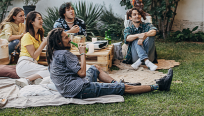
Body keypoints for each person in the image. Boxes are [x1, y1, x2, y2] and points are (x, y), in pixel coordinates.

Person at [44, 27, 172, 98]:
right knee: (124, 88)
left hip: (68, 88)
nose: (69, 39)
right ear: (59, 42)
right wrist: (82, 53)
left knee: (95, 68)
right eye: (66, 37)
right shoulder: (65, 54)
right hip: (79, 90)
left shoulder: (53, 54)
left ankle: (116, 83)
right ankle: (159, 86)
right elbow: (82, 73)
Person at [14, 11, 50, 88]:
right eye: (39, 19)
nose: (41, 21)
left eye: (41, 19)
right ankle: (26, 80)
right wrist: (43, 43)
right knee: (51, 71)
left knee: (50, 73)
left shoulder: (39, 36)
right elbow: (33, 55)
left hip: (33, 65)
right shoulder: (27, 36)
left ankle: (34, 80)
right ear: (32, 22)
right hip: (25, 65)